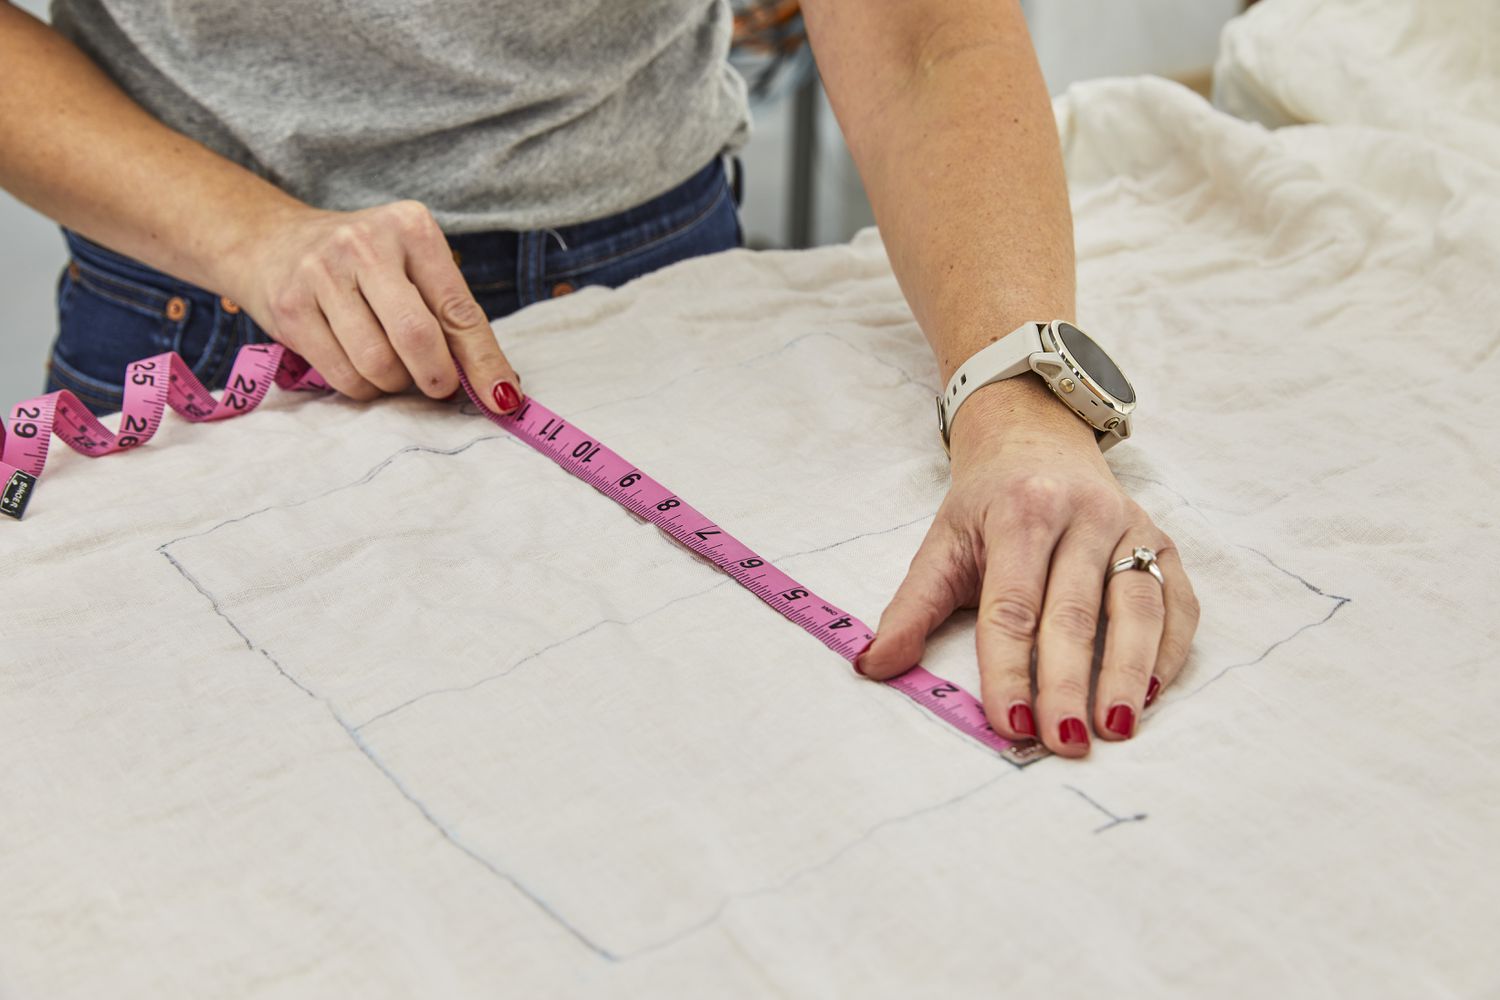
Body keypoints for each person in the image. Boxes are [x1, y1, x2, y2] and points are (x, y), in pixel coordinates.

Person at [0, 0, 1199, 758]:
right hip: (211, 294)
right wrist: (246, 235)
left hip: (661, 281)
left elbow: (922, 35)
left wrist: (1018, 397)